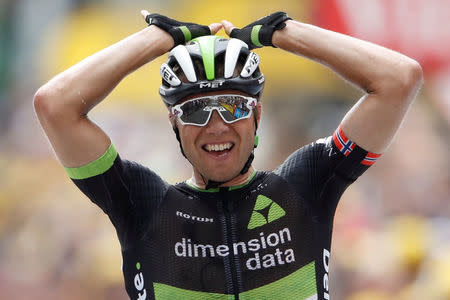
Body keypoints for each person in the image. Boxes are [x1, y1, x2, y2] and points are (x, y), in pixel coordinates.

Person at [33, 10, 422, 300]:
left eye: (234, 106)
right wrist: (157, 39)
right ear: (174, 123)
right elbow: (55, 105)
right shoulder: (143, 204)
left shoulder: (305, 185)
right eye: (197, 110)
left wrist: (281, 33)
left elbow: (400, 80)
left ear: (256, 114)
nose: (217, 126)